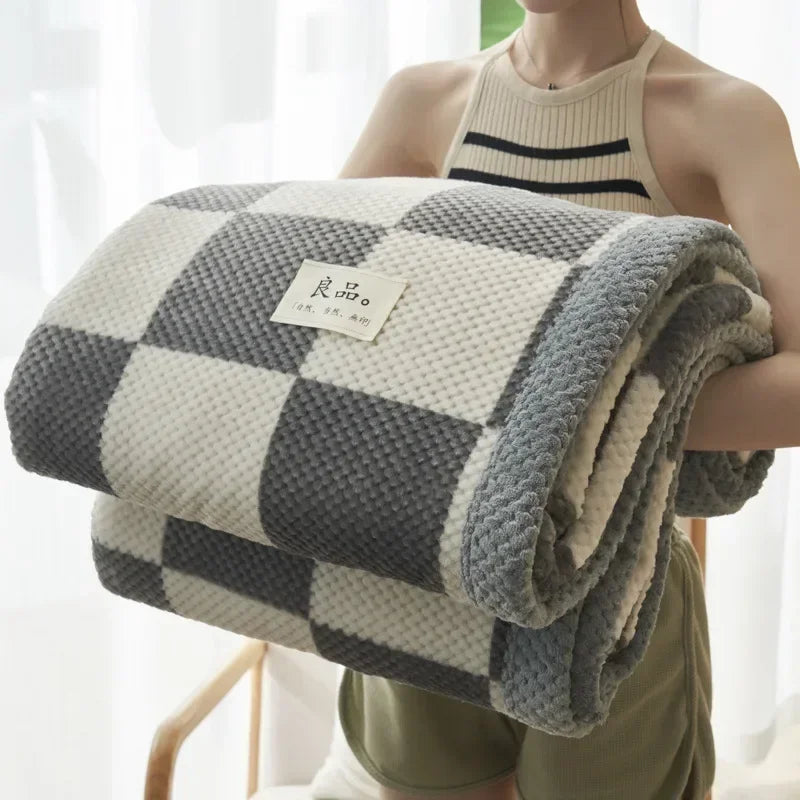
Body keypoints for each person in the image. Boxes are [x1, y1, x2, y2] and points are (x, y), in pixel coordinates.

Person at [335, 1, 800, 799]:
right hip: (423, 563)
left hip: (612, 590)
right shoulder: (422, 101)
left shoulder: (724, 117)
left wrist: (563, 425)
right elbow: (320, 327)